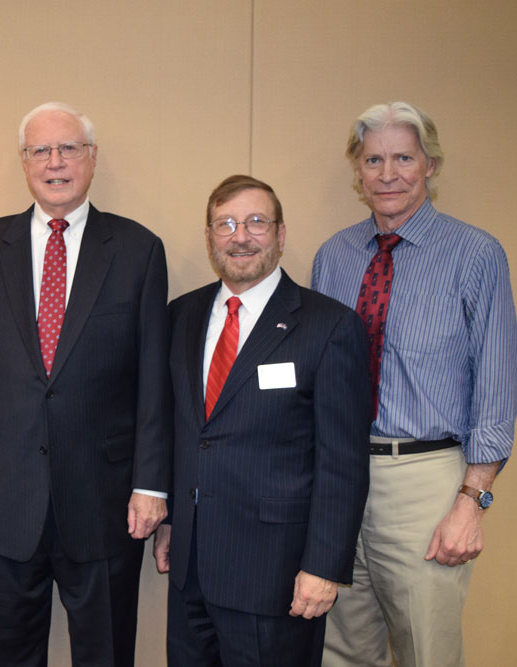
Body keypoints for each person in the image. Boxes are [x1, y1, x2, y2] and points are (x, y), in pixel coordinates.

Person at [0, 101, 171, 666]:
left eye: (69, 148)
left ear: (91, 159)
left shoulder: (139, 251)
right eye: (41, 149)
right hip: (0, 503)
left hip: (107, 503)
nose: (55, 161)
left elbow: (154, 382)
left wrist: (152, 485)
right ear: (24, 162)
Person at [312, 101, 517, 667]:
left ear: (430, 165)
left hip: (426, 483)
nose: (388, 173)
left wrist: (471, 502)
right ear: (358, 170)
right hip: (342, 477)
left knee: (428, 651)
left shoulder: (475, 254)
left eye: (404, 157)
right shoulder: (334, 257)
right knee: (341, 650)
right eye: (373, 159)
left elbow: (497, 390)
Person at [153, 175, 370, 666]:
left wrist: (323, 567)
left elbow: (344, 462)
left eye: (256, 222)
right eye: (225, 224)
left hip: (277, 578)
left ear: (280, 234)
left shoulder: (329, 326)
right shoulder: (180, 317)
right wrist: (171, 519)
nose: (241, 236)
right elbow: (179, 430)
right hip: (191, 572)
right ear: (209, 236)